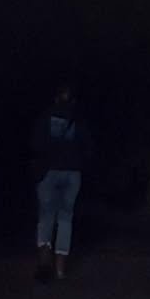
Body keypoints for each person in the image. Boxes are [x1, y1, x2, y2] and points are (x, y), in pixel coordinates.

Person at [31, 86, 90, 280]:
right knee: (66, 219)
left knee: (46, 216)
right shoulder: (79, 119)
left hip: (49, 171)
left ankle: (44, 263)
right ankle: (60, 269)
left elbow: (36, 144)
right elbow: (87, 147)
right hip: (72, 172)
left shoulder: (45, 117)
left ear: (56, 99)